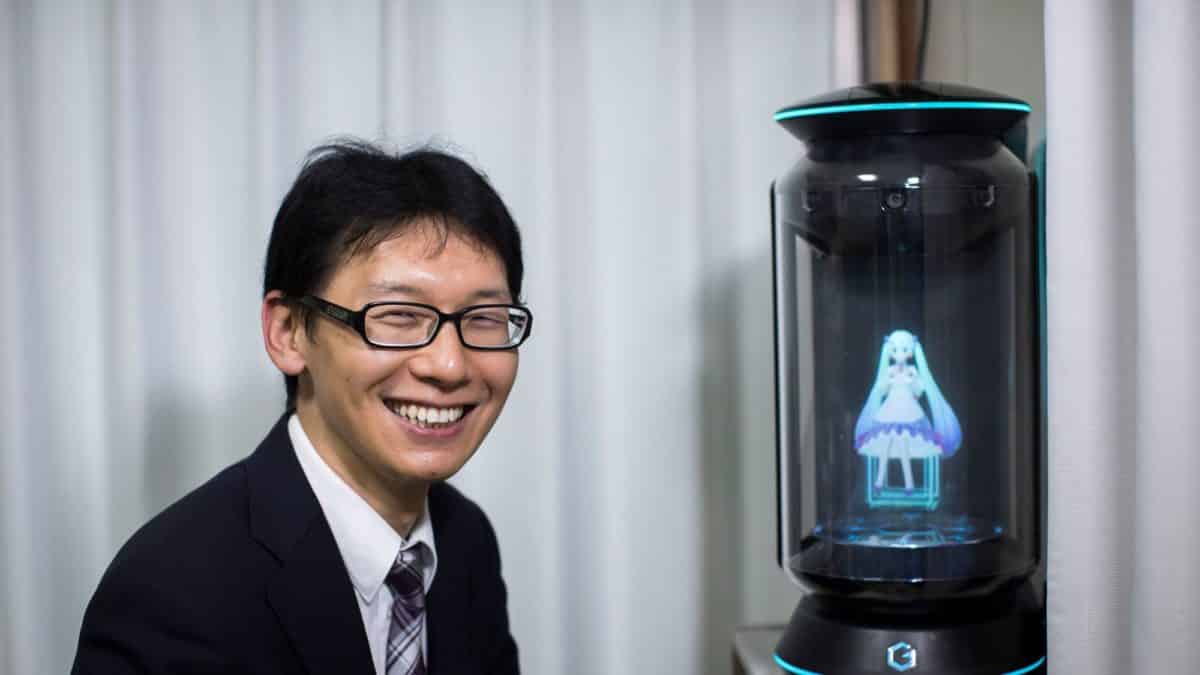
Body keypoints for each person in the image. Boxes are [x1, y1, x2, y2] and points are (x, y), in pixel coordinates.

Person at [71, 140, 531, 675]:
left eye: (483, 318)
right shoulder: (171, 591)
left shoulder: (465, 541)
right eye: (400, 315)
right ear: (288, 332)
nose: (449, 366)